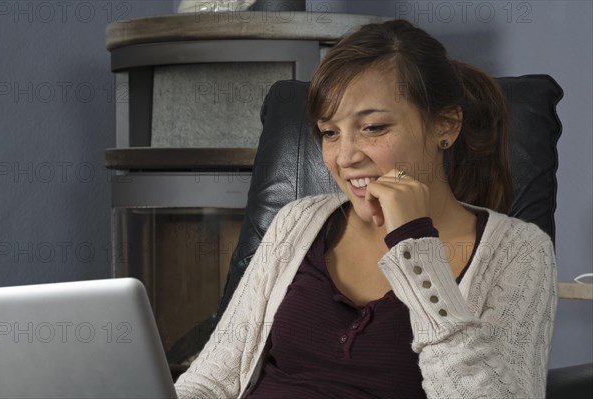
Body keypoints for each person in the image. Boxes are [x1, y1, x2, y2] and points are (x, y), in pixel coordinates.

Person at [175, 19, 557, 398]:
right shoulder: (298, 220)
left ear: (447, 124)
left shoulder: (520, 252)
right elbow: (211, 380)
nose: (345, 157)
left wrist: (414, 245)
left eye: (373, 127)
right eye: (329, 132)